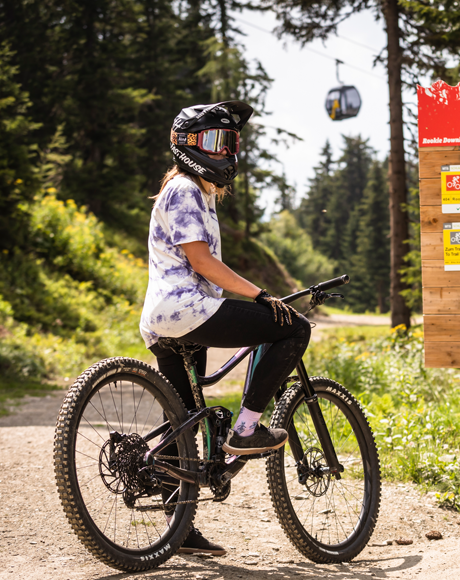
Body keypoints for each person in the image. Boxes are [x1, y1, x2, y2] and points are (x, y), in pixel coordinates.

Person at [139, 101, 312, 556]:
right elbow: (202, 261)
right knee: (292, 328)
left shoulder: (194, 192)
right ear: (188, 144)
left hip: (164, 320)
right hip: (189, 310)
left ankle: (179, 530)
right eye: (218, 141)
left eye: (232, 142)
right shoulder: (184, 190)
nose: (228, 151)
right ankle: (246, 428)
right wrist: (259, 296)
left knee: (181, 422)